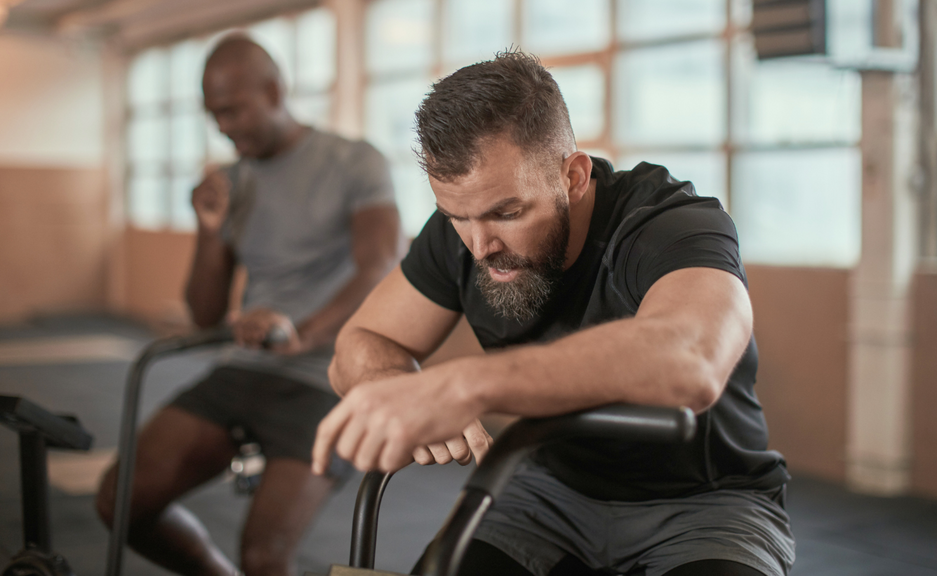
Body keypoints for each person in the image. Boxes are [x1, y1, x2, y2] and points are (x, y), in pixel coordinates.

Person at [312, 50, 795, 576]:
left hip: (705, 503)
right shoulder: (467, 232)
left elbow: (692, 359)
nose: (479, 246)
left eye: (508, 213)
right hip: (545, 495)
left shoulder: (668, 225)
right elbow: (358, 344)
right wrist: (391, 383)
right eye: (456, 216)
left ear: (573, 176)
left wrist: (464, 385)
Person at [95, 36, 401, 576]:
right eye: (214, 115)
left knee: (265, 556)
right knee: (119, 503)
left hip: (325, 377)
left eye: (233, 110)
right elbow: (206, 314)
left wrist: (303, 333)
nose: (224, 127)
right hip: (246, 366)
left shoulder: (354, 161)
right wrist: (209, 231)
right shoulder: (232, 182)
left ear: (274, 90)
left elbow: (377, 266)